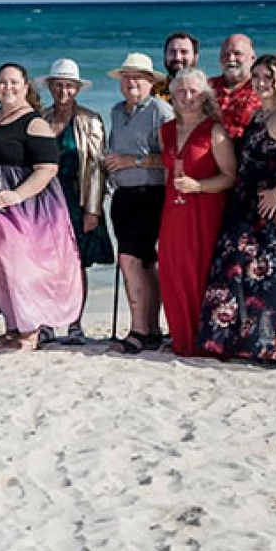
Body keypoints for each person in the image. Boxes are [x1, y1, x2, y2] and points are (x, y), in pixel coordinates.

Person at [196, 55, 276, 365]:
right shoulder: (258, 116)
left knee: (269, 278)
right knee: (242, 275)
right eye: (257, 76)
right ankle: (243, 343)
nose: (261, 82)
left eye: (269, 76)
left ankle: (275, 345)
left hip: (271, 211)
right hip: (244, 204)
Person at [0, 64, 82, 352]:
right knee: (0, 268)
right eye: (2, 82)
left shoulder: (34, 122)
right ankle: (13, 326)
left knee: (21, 268)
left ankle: (31, 330)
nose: (8, 87)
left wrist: (17, 195)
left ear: (26, 86)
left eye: (14, 82)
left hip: (23, 209)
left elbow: (47, 168)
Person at [158, 69, 236, 358]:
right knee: (172, 273)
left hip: (204, 210)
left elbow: (230, 177)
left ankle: (204, 340)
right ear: (172, 96)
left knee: (199, 274)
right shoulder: (165, 130)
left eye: (193, 91)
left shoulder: (215, 131)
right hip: (172, 211)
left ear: (205, 96)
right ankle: (181, 339)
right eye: (181, 91)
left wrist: (198, 186)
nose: (187, 97)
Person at [103, 54, 171, 352]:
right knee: (144, 263)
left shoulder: (160, 110)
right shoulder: (117, 111)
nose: (131, 82)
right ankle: (152, 328)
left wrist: (134, 160)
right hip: (123, 196)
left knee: (130, 260)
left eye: (138, 77)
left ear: (150, 82)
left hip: (150, 195)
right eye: (126, 77)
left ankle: (139, 330)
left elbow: (171, 157)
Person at [45, 59, 113, 344]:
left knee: (78, 264)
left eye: (69, 86)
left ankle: (75, 324)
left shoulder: (90, 119)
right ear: (50, 87)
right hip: (47, 202)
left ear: (77, 89)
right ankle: (47, 322)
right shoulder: (41, 118)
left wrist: (93, 210)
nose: (64, 91)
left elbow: (97, 166)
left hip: (79, 199)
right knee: (47, 264)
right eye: (59, 85)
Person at [211, 34, 276, 138]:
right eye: (225, 54)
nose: (231, 58)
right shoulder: (206, 88)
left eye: (237, 53)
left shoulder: (269, 89)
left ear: (252, 58)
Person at [158, 32, 200, 102]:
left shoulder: (204, 92)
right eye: (172, 52)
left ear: (195, 57)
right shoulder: (153, 92)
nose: (177, 57)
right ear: (165, 56)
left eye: (184, 52)